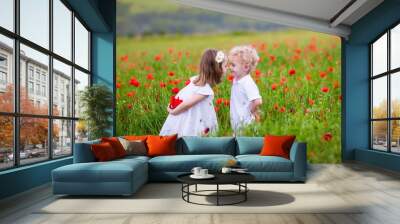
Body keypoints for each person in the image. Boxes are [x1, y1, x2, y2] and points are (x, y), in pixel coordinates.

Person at [159, 49, 228, 137]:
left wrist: (171, 106)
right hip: (195, 121)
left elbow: (181, 96)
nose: (226, 69)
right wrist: (173, 111)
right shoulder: (204, 90)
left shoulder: (195, 80)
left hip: (193, 116)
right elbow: (187, 104)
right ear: (217, 69)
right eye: (225, 66)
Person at [228, 45, 262, 135]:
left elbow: (257, 101)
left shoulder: (247, 82)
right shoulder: (236, 80)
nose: (230, 68)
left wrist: (250, 110)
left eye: (233, 65)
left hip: (247, 124)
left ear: (246, 67)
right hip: (238, 123)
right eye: (230, 64)